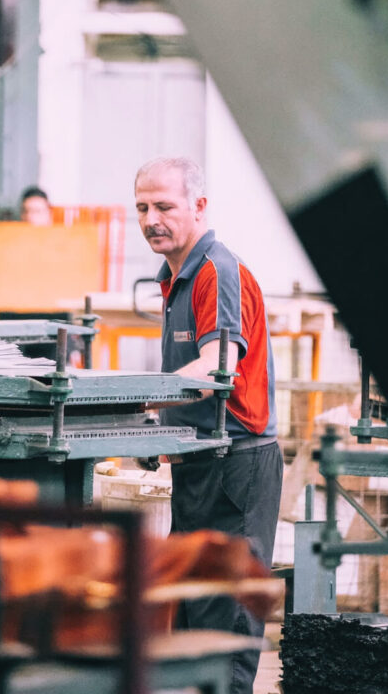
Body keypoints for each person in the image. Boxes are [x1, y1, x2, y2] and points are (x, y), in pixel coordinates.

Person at [134, 156, 283, 694]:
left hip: (237, 465)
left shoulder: (216, 271)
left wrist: (137, 400)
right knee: (195, 612)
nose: (151, 219)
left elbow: (217, 366)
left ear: (198, 206)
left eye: (164, 206)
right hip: (199, 463)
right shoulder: (175, 278)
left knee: (227, 619)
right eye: (142, 208)